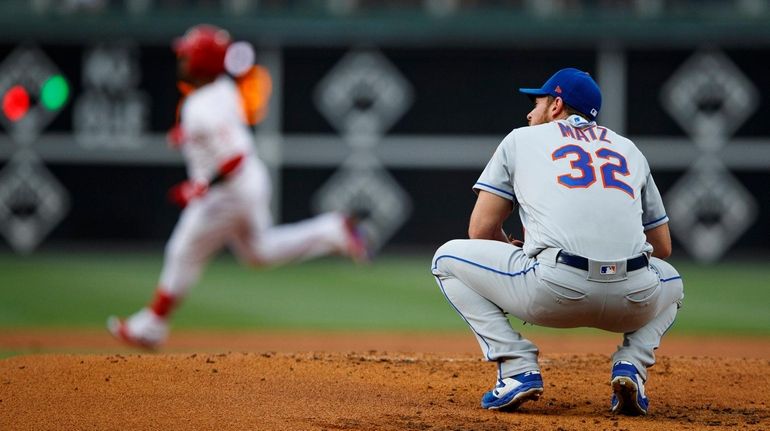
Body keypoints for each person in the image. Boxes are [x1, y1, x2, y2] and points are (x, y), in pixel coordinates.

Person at [431, 68, 684, 416]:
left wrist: (516, 251)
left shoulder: (521, 139)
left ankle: (517, 368)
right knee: (672, 279)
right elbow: (663, 246)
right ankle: (632, 366)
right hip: (633, 297)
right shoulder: (629, 149)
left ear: (556, 105)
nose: (529, 112)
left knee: (445, 259)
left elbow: (480, 230)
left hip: (554, 291)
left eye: (536, 102)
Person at [108, 24, 368, 349]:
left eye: (187, 56)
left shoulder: (199, 105)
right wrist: (186, 140)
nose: (182, 62)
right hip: (250, 183)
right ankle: (332, 230)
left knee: (182, 251)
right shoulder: (223, 88)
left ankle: (152, 325)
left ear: (201, 62)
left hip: (228, 191)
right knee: (258, 252)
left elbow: (233, 158)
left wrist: (199, 187)